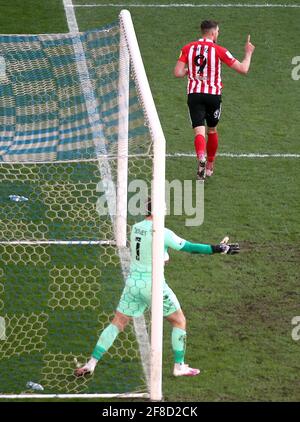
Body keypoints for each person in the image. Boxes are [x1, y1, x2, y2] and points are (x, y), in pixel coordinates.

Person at [75, 199, 239, 378]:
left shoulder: (135, 227)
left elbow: (150, 252)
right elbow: (190, 248)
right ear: (158, 211)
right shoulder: (163, 233)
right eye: (165, 208)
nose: (167, 211)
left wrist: (164, 257)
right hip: (153, 285)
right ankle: (179, 366)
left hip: (133, 284)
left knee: (118, 322)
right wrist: (218, 249)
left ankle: (91, 363)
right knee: (179, 321)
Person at [174, 20, 255, 180]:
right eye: (217, 31)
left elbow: (177, 72)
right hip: (213, 96)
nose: (218, 34)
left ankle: (201, 157)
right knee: (212, 130)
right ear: (212, 33)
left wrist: (190, 70)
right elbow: (243, 69)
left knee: (199, 130)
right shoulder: (219, 50)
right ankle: (210, 165)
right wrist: (248, 53)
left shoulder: (187, 48)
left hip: (194, 95)